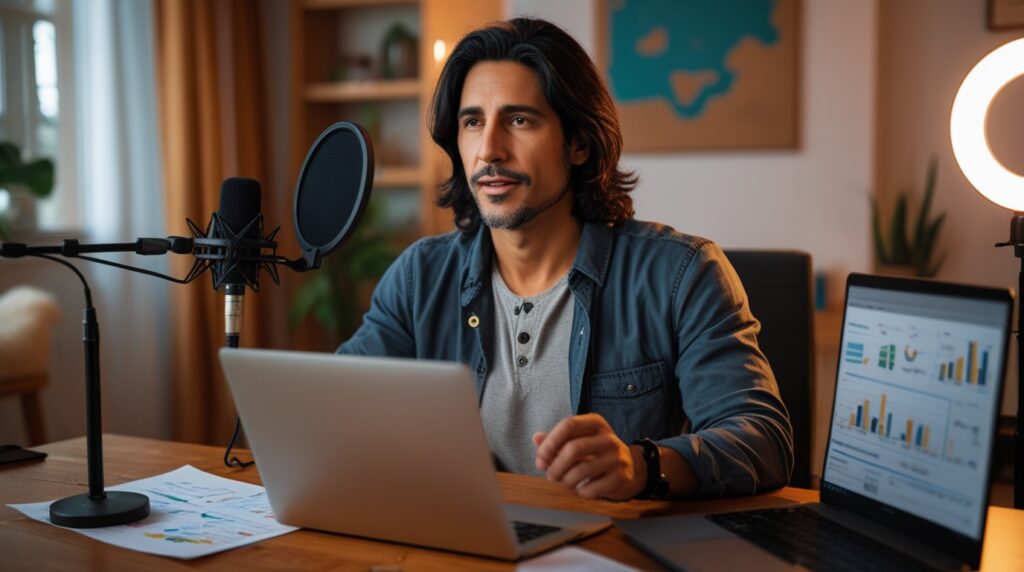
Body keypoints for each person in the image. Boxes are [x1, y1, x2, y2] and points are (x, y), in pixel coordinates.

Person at [338, 17, 793, 500]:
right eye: (472, 122)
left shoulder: (683, 274)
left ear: (577, 143)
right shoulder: (419, 278)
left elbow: (763, 439)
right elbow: (337, 408)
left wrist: (643, 465)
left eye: (519, 120)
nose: (489, 150)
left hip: (611, 547)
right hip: (464, 539)